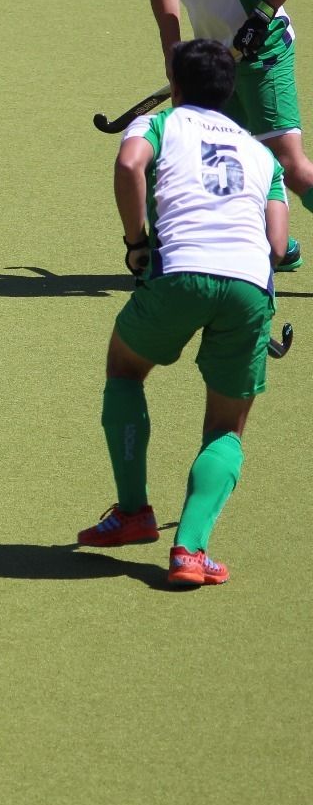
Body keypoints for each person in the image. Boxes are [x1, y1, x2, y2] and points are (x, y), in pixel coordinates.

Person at [76, 40, 288, 587]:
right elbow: (279, 244)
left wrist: (136, 243)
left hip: (180, 273)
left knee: (125, 368)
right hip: (248, 286)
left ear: (174, 79)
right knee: (226, 426)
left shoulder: (159, 126)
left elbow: (129, 165)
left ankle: (132, 513)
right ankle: (190, 552)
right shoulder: (261, 154)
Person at [125, 0, 311, 270]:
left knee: (290, 165)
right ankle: (279, 244)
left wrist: (261, 16)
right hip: (216, 63)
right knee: (221, 154)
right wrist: (175, 57)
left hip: (264, 55)